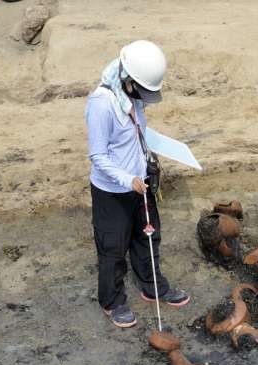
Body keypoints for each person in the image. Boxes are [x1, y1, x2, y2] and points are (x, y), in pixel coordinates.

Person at [85, 40, 189, 328]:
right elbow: (98, 156)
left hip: (140, 185)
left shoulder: (132, 94)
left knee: (148, 237)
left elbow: (134, 133)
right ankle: (112, 301)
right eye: (142, 90)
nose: (144, 97)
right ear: (127, 78)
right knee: (113, 248)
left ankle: (152, 286)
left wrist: (146, 164)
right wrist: (127, 179)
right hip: (112, 192)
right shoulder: (101, 104)